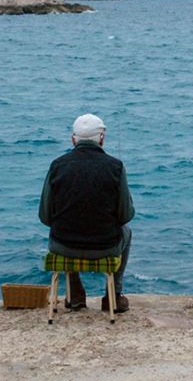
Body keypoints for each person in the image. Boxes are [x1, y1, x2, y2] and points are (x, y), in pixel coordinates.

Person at [39, 114, 135, 313]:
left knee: (65, 227)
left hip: (63, 246)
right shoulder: (116, 167)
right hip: (105, 247)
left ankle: (75, 295)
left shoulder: (57, 165)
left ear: (73, 139)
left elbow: (45, 216)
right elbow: (125, 215)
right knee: (127, 231)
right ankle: (113, 297)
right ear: (101, 138)